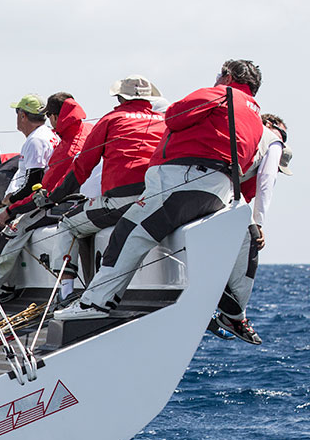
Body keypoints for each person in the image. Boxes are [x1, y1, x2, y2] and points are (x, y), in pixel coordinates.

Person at [55, 59, 264, 320]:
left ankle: (93, 304)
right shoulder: (256, 117)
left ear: (228, 76)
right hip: (219, 188)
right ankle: (236, 313)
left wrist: (54, 197)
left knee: (129, 232)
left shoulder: (219, 93)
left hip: (182, 180)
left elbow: (175, 116)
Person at [40, 75, 167, 303]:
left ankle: (65, 293)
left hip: (122, 201)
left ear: (119, 98)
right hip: (159, 198)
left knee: (67, 223)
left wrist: (53, 197)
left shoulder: (110, 119)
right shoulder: (164, 120)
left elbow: (82, 167)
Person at [0, 92, 92, 294]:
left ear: (55, 116)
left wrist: (12, 209)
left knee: (12, 230)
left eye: (49, 116)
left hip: (66, 203)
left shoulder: (59, 145)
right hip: (87, 198)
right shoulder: (85, 131)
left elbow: (44, 190)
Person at [211, 113, 292, 343]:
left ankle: (216, 310)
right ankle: (235, 317)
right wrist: (258, 224)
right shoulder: (269, 141)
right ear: (268, 124)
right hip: (217, 192)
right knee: (252, 239)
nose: (282, 141)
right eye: (282, 135)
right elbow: (267, 181)